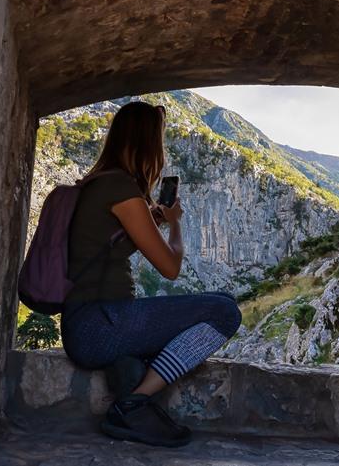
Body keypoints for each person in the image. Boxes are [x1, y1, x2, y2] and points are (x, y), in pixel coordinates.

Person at [60, 100, 242, 448]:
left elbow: (111, 240)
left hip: (90, 323)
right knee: (225, 311)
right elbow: (170, 268)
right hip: (99, 325)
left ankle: (129, 373)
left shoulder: (100, 183)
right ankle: (133, 403)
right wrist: (174, 225)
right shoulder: (121, 190)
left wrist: (153, 217)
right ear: (146, 144)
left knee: (219, 301)